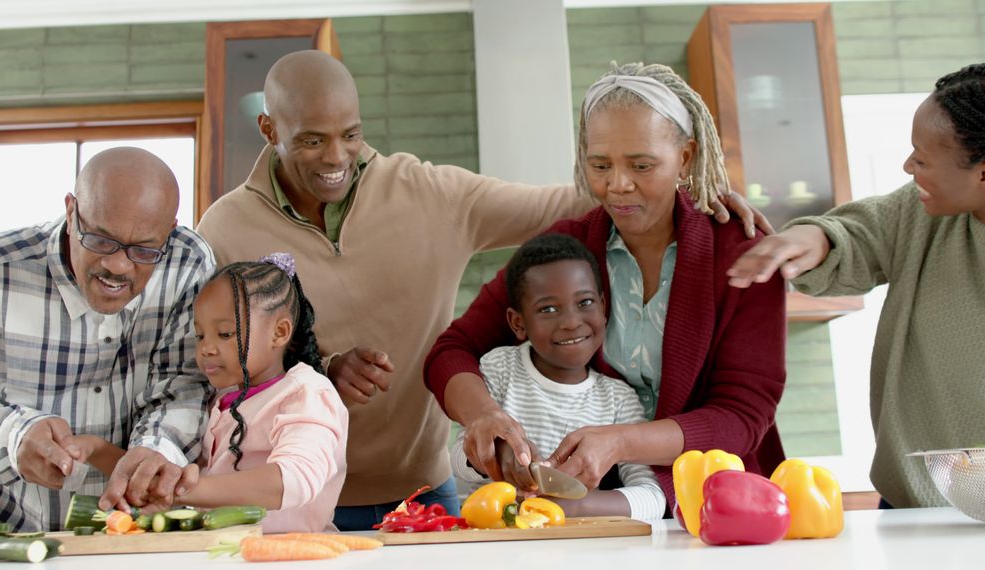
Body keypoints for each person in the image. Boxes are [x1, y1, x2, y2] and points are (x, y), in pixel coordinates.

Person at [195, 50, 769, 530]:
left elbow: (568, 203)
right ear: (269, 130)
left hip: (423, 488)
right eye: (312, 140)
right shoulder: (224, 230)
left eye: (351, 135)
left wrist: (695, 194)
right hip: (283, 501)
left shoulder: (428, 193)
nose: (337, 157)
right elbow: (207, 367)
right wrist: (318, 371)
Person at [425, 62, 788, 512]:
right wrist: (485, 417)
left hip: (722, 507)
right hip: (591, 514)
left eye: (642, 165)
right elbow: (452, 350)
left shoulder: (740, 251)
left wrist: (619, 442)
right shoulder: (566, 249)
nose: (617, 185)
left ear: (686, 157)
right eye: (600, 165)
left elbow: (742, 416)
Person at [726, 61, 985, 509]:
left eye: (923, 158)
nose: (907, 165)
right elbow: (858, 234)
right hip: (913, 505)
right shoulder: (921, 214)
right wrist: (812, 238)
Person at [0, 147, 215, 534]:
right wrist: (13, 435)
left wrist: (156, 450)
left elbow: (186, 384)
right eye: (101, 241)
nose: (118, 266)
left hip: (131, 542)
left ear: (170, 232)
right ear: (71, 211)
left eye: (143, 250)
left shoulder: (187, 265)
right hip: (0, 538)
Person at [78, 253, 348, 532]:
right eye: (200, 335)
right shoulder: (219, 400)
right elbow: (162, 477)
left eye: (225, 334)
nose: (206, 348)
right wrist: (93, 449)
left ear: (279, 333)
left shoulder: (307, 394)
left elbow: (294, 480)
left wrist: (184, 489)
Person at [450, 234, 665, 521]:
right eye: (548, 309)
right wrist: (494, 451)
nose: (571, 322)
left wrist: (578, 507)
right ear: (518, 323)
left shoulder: (618, 399)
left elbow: (653, 497)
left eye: (585, 302)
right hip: (497, 544)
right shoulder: (500, 368)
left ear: (603, 307)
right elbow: (458, 460)